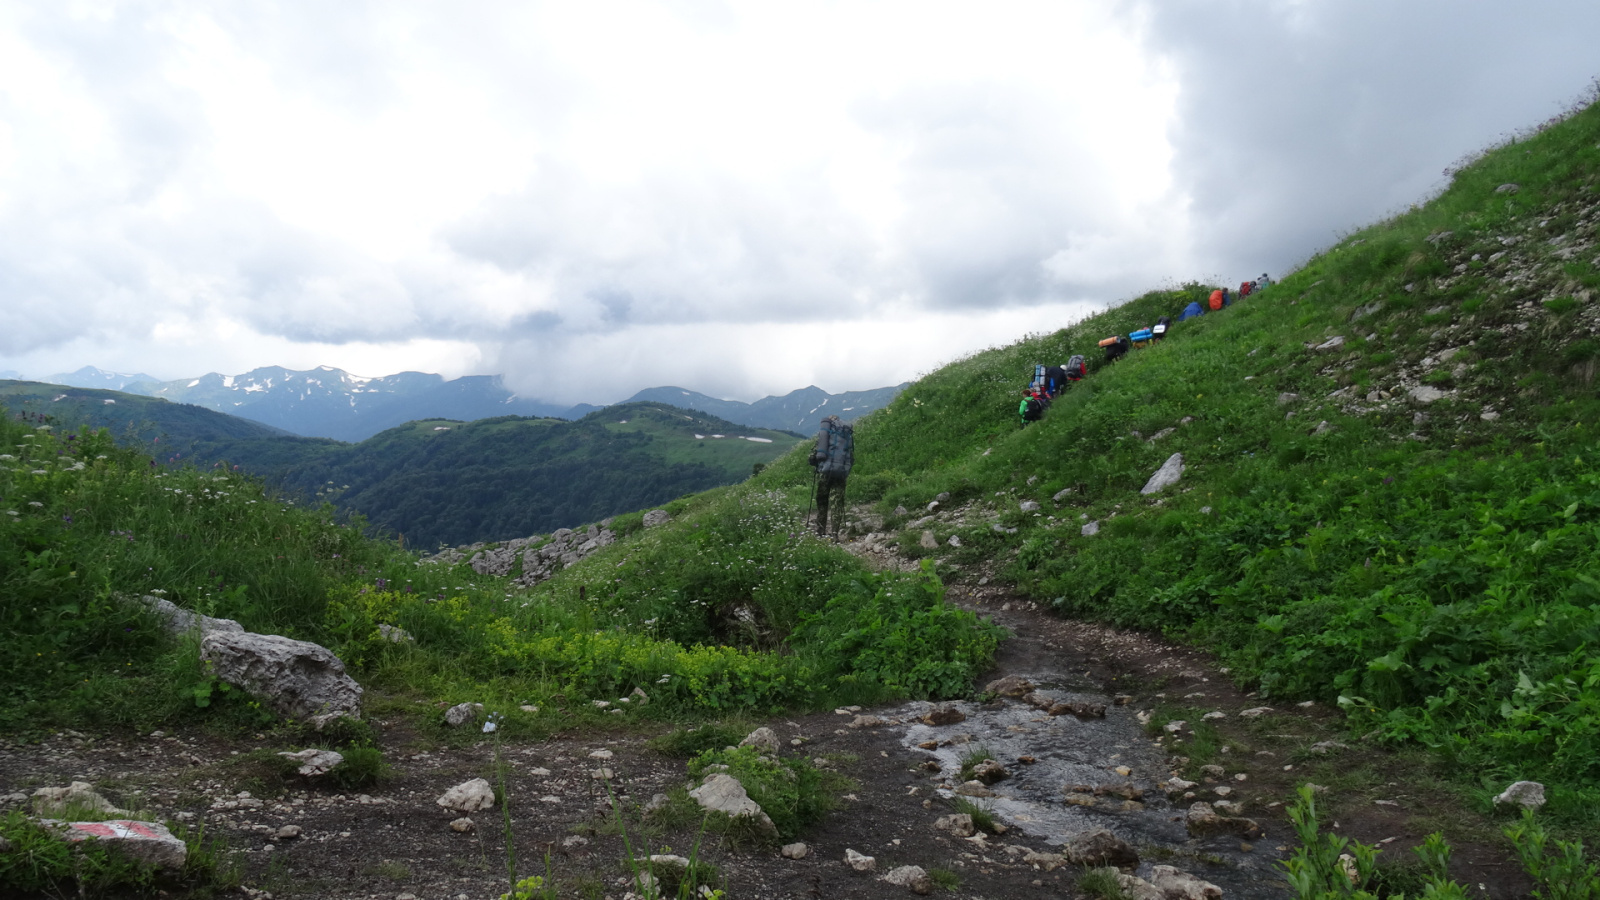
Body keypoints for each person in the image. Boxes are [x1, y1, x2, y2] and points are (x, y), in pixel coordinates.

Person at [809, 414, 854, 536]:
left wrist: (814, 461)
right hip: (840, 472)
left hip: (825, 472)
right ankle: (835, 534)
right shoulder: (846, 435)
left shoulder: (826, 434)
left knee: (822, 500)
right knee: (837, 503)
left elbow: (813, 455)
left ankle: (820, 531)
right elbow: (850, 456)